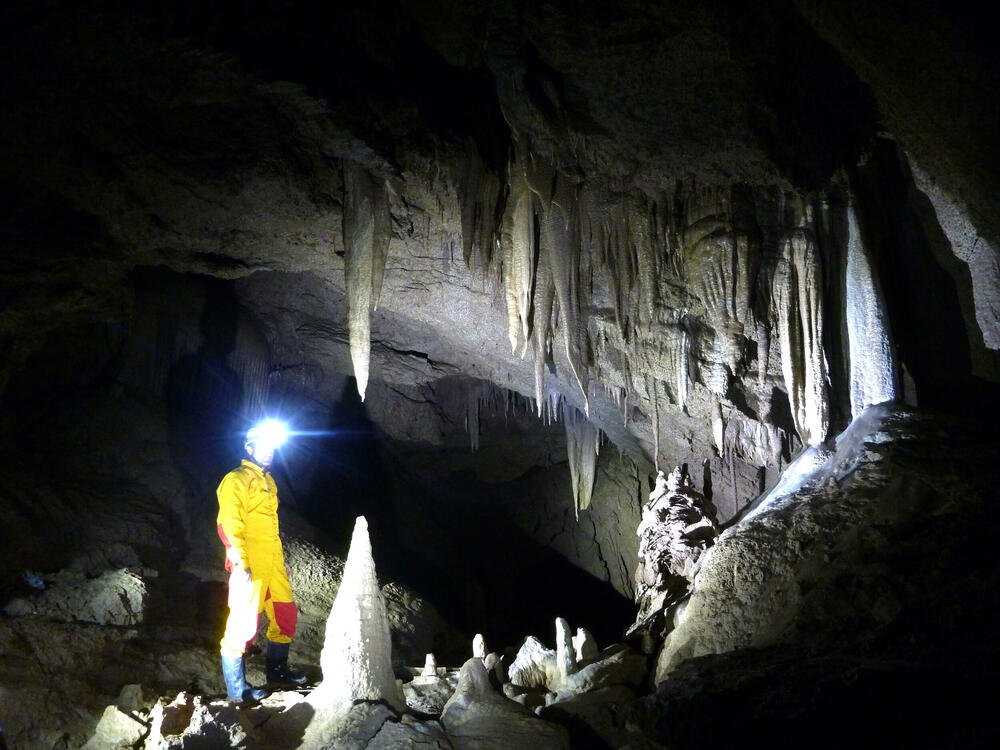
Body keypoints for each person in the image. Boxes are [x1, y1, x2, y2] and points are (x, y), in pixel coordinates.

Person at [217, 420, 307, 702]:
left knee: (284, 614)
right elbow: (229, 525)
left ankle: (277, 671)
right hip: (250, 563)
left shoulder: (269, 481)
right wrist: (240, 562)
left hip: (273, 562)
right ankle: (237, 689)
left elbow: (271, 527)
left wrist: (281, 561)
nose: (268, 452)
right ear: (249, 447)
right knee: (243, 623)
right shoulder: (237, 479)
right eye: (263, 446)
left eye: (272, 447)